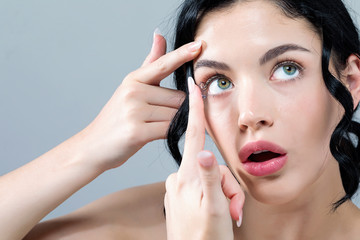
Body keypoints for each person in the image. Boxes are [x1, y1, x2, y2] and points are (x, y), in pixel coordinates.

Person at [1, 0, 360, 239]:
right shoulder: (147, 221)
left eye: (286, 69)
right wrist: (87, 148)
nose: (250, 115)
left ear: (351, 82)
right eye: (220, 82)